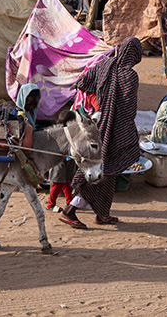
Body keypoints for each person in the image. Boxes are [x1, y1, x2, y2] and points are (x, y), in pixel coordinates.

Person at [60, 37, 143, 229]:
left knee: (108, 169)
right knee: (101, 169)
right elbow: (130, 109)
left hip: (97, 123)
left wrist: (98, 104)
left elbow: (82, 82)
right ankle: (70, 210)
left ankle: (102, 213)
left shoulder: (105, 65)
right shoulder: (129, 76)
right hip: (114, 128)